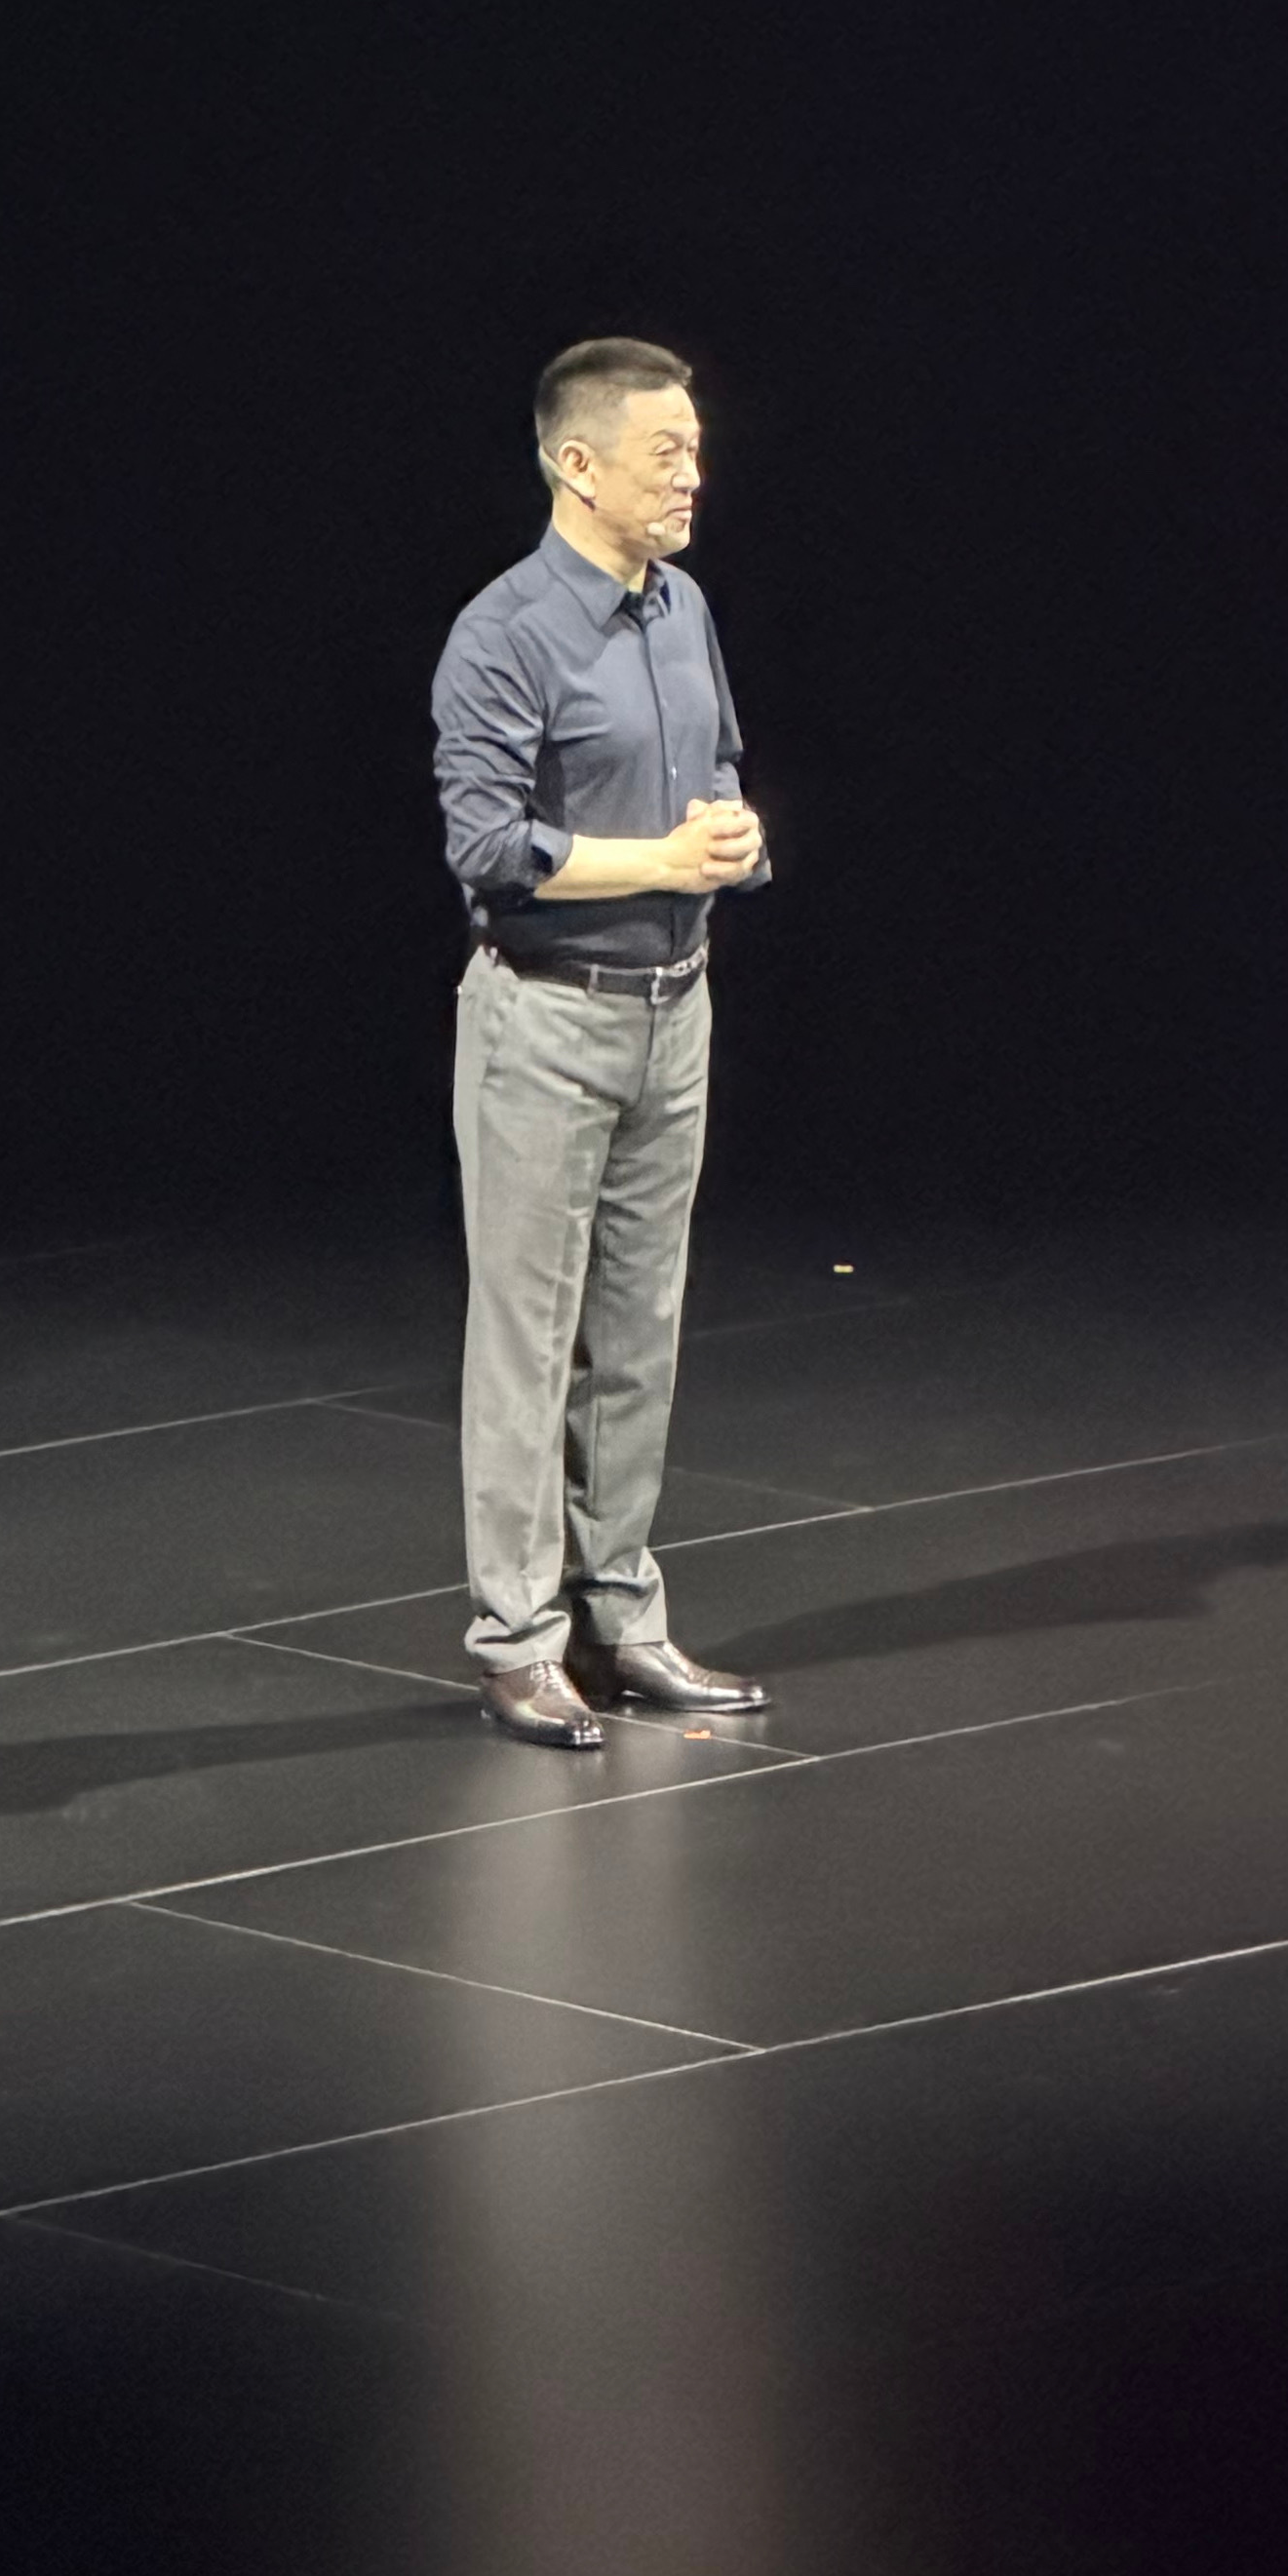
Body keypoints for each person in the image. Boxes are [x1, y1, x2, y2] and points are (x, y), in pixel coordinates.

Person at [428, 339, 774, 1748]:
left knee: (638, 1335)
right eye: (665, 453)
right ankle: (518, 1639)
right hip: (546, 1018)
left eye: (696, 449)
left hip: (673, 1012)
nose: (694, 476)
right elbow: (486, 846)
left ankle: (621, 1617)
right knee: (530, 1340)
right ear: (578, 465)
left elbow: (717, 764)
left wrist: (733, 838)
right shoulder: (502, 634)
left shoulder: (682, 607)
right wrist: (660, 862)